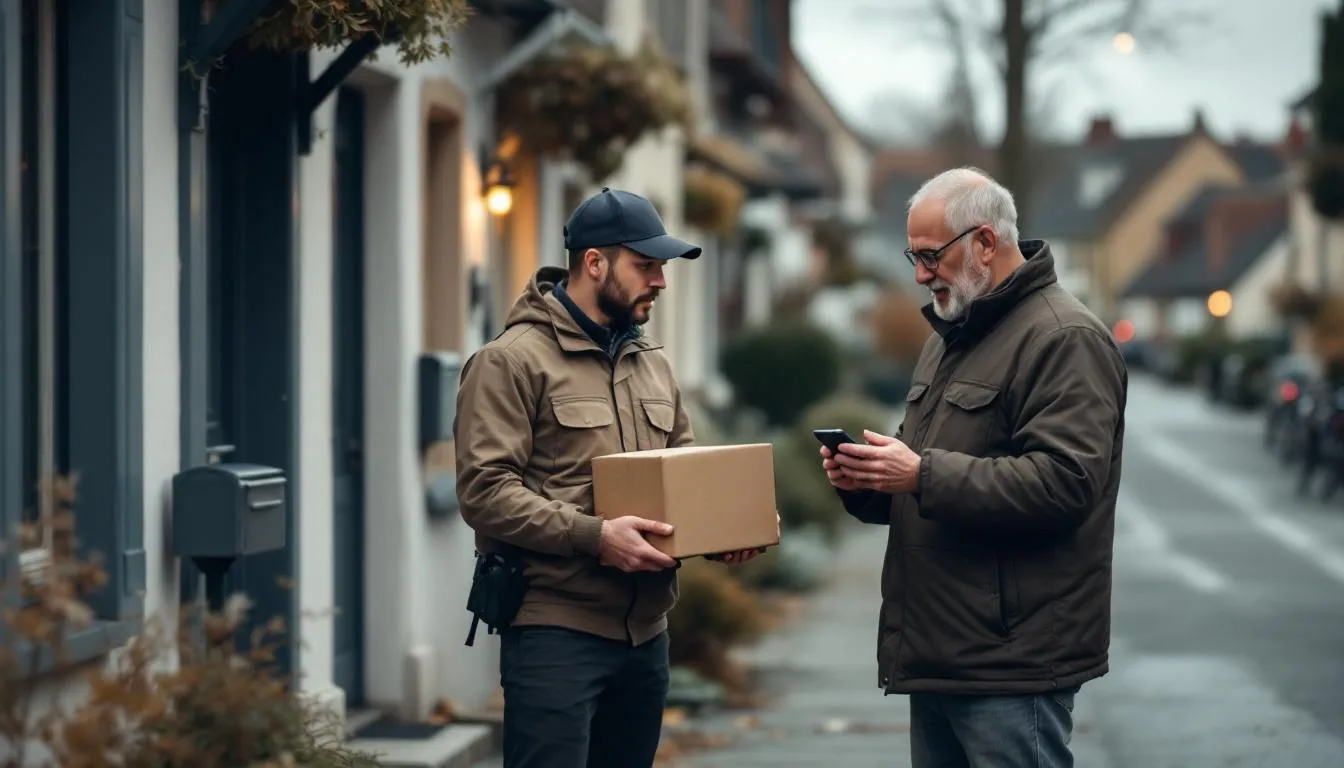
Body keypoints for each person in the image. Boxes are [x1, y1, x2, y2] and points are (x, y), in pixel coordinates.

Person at [820, 167, 1128, 768]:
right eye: (914, 255)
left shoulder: (1065, 338)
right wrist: (868, 482)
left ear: (986, 243)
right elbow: (928, 478)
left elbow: (1066, 483)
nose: (918, 273)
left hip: (1011, 662)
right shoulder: (951, 334)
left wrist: (920, 474)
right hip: (942, 656)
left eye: (931, 254)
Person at [455, 187, 764, 768]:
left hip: (646, 638)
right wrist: (596, 536)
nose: (661, 282)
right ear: (594, 263)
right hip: (556, 635)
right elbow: (485, 492)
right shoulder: (510, 361)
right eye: (645, 266)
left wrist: (721, 532)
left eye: (662, 267)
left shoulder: (653, 363)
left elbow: (683, 471)